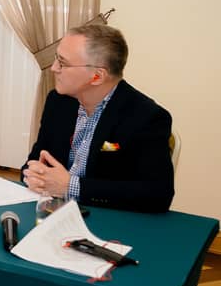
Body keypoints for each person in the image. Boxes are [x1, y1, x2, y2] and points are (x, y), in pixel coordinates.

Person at [22, 24, 174, 213]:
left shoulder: (146, 118)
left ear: (97, 76)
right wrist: (34, 175)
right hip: (54, 212)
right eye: (56, 58)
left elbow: (158, 194)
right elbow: (35, 160)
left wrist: (71, 186)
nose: (53, 68)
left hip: (109, 219)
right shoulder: (58, 102)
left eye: (63, 63)